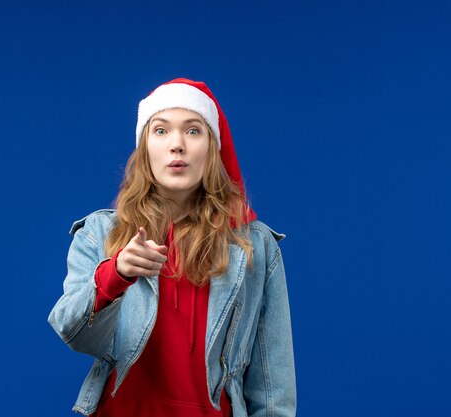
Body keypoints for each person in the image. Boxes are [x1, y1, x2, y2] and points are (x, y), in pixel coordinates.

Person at [48, 78, 296, 417]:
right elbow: (72, 332)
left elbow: (273, 386)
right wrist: (116, 274)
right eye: (161, 131)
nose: (176, 144)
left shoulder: (255, 245)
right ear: (144, 146)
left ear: (212, 147)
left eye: (193, 131)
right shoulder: (100, 232)